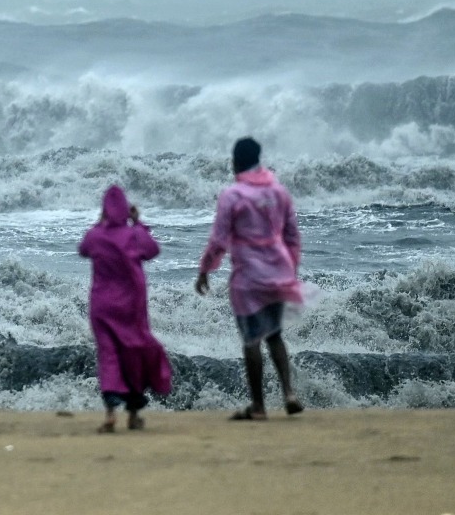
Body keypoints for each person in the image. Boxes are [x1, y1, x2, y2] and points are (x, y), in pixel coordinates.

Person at [195, 136, 305, 420]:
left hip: (248, 278)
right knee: (275, 336)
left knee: (252, 340)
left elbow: (219, 240)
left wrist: (205, 269)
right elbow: (292, 236)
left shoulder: (232, 195)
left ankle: (258, 407)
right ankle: (289, 393)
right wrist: (290, 270)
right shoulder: (279, 192)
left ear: (235, 162)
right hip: (279, 273)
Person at [79, 184, 172, 433]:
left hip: (102, 306)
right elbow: (153, 250)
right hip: (130, 307)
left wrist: (101, 223)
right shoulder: (134, 236)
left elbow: (83, 249)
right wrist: (138, 222)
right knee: (133, 355)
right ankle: (132, 415)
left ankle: (110, 413)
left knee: (108, 355)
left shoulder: (96, 236)